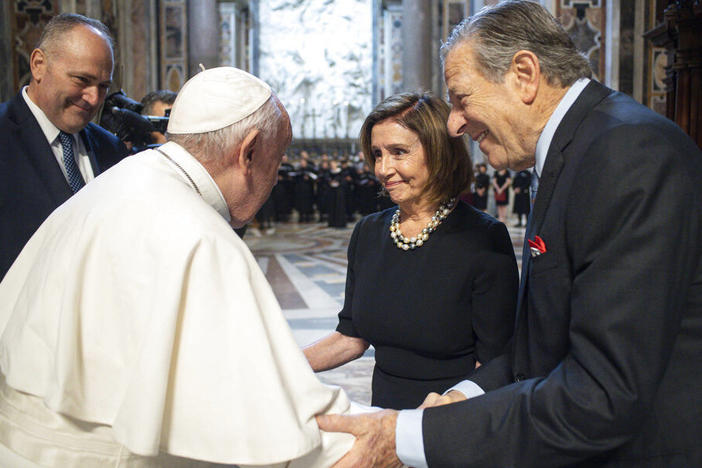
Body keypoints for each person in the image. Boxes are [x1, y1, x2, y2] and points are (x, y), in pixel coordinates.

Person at [315, 1, 702, 467]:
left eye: (461, 98)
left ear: (523, 74)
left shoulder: (626, 152)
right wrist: (462, 396)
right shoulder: (570, 154)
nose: (454, 123)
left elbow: (603, 392)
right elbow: (541, 341)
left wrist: (412, 436)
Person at [0, 67, 362, 467]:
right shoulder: (200, 237)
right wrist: (404, 433)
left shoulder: (116, 182)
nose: (276, 177)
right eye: (277, 160)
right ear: (249, 151)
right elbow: (285, 425)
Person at [304, 92, 518, 410]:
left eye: (398, 152)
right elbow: (351, 337)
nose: (383, 168)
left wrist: (447, 407)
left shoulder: (483, 238)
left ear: (439, 152)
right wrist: (277, 366)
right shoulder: (368, 232)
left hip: (453, 416)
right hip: (385, 411)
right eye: (377, 154)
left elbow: (497, 362)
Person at [0, 13, 128, 281]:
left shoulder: (111, 149)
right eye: (82, 80)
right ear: (38, 65)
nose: (93, 98)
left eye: (103, 86)